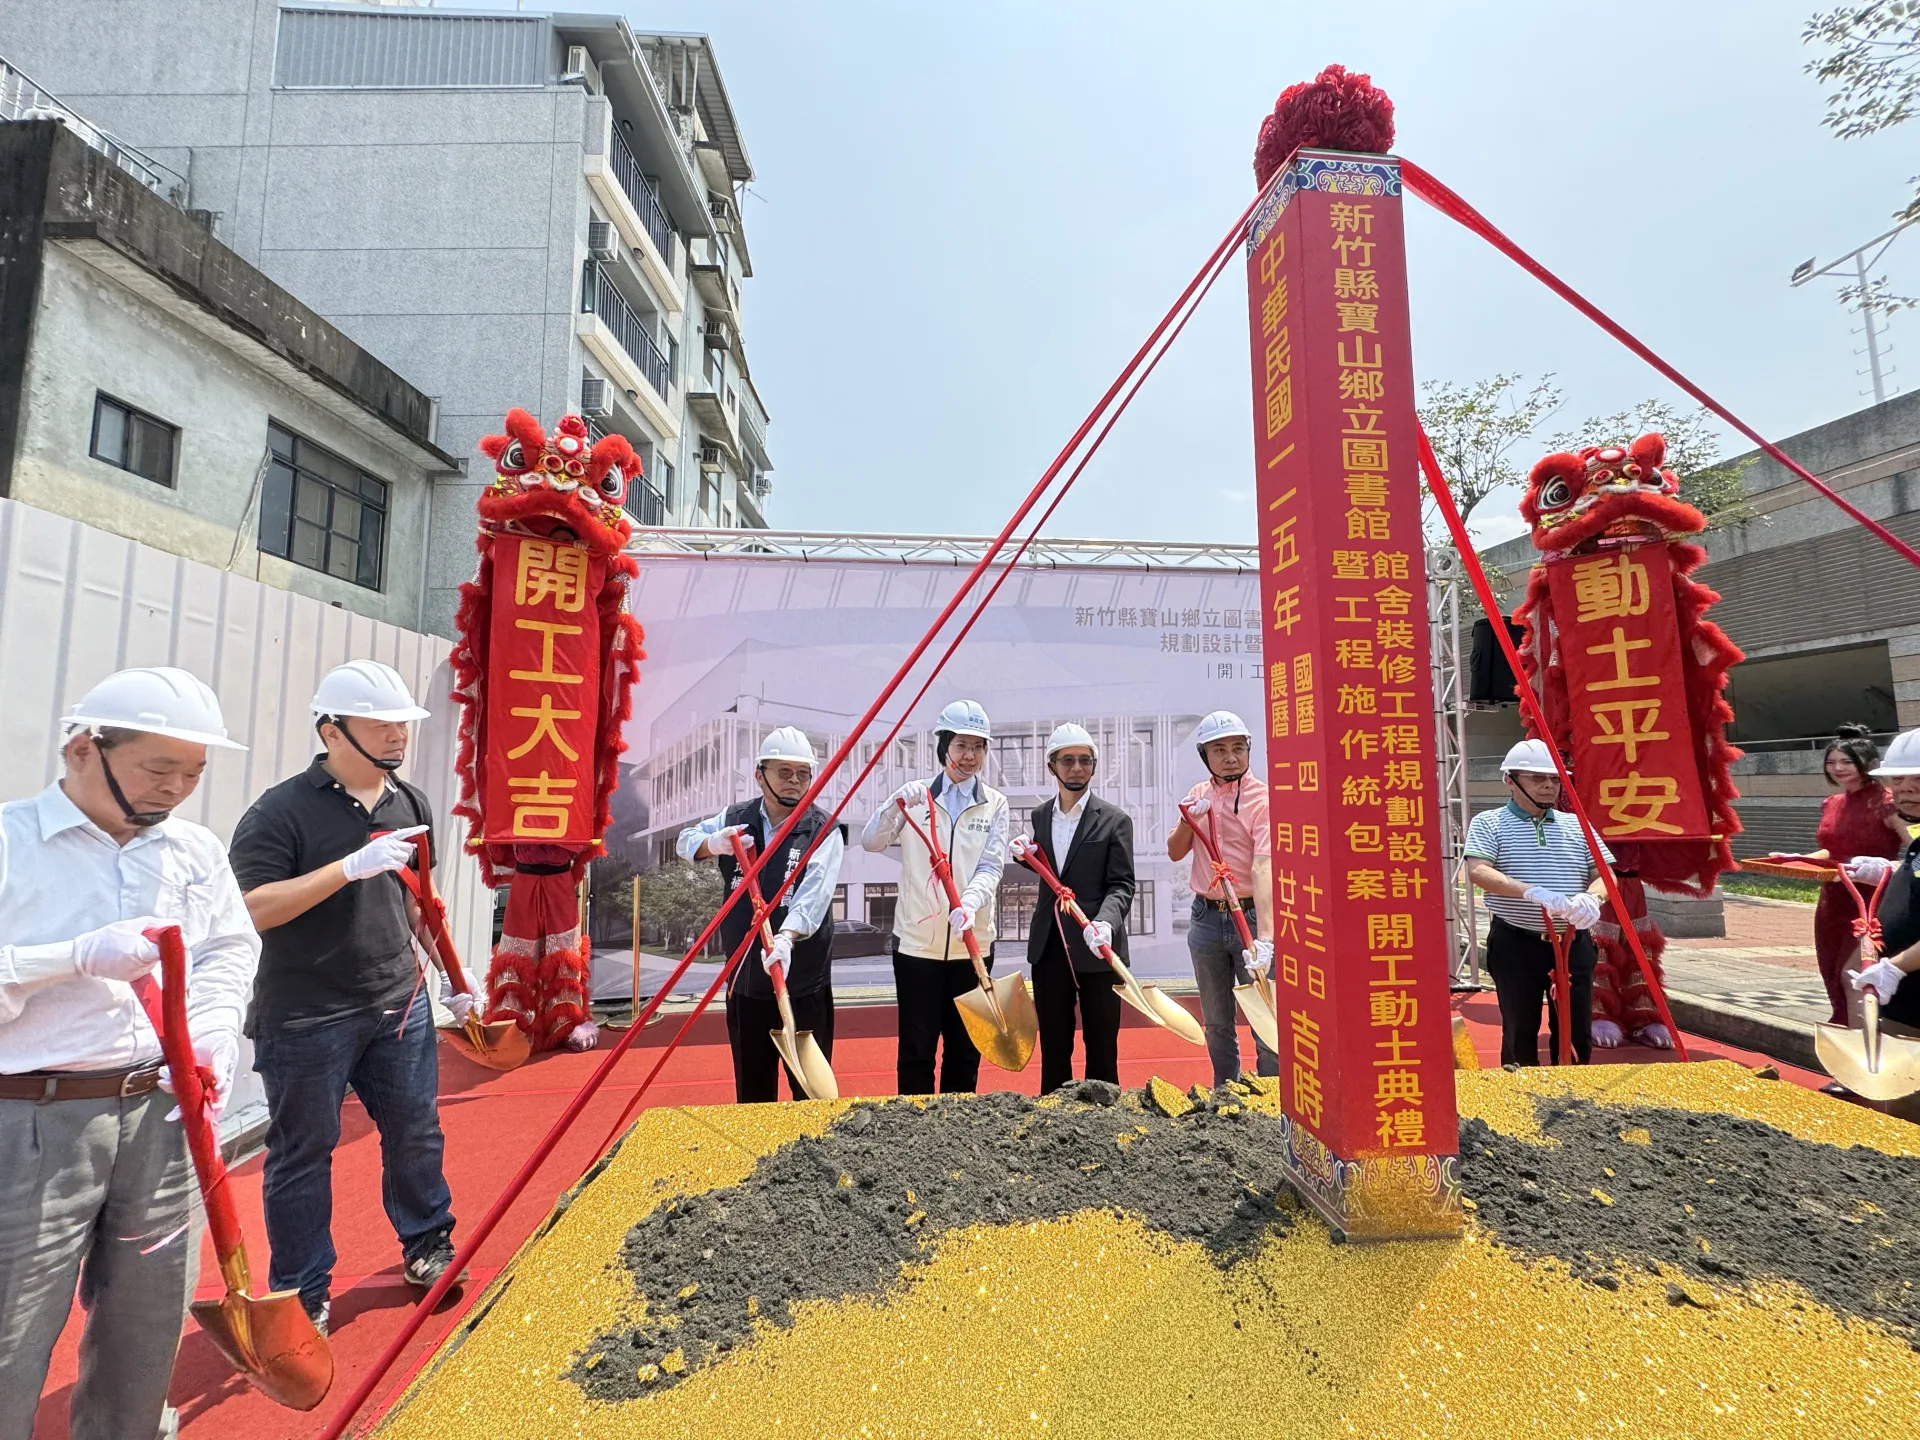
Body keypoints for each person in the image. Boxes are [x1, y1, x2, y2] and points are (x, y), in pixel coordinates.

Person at [0, 667, 257, 1440]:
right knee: (12, 1331)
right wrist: (69, 956)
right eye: (158, 768)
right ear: (84, 747)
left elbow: (227, 947)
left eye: (194, 772)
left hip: (163, 1114)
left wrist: (214, 1025)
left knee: (147, 1326)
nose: (176, 788)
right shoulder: (12, 844)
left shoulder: (192, 851)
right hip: (35, 1119)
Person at [228, 661, 464, 1337]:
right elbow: (253, 908)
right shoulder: (280, 812)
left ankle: (426, 1243)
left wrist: (450, 971)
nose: (397, 736)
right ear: (331, 730)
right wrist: (345, 869)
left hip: (398, 1001)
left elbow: (419, 897)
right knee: (303, 1151)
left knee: (416, 1129)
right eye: (380, 724)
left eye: (402, 725)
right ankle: (302, 1290)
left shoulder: (410, 804)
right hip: (307, 1013)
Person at [676, 726, 845, 1102]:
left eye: (803, 773)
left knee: (810, 1099)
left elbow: (813, 897)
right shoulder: (736, 818)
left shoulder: (823, 829)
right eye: (783, 772)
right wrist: (711, 843)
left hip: (802, 986)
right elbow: (684, 841)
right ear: (760, 775)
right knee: (753, 1097)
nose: (794, 782)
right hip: (747, 984)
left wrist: (787, 938)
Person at [862, 699, 1010, 1095]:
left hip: (972, 944)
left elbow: (991, 865)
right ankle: (913, 1133)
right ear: (943, 745)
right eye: (961, 745)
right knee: (916, 1047)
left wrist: (970, 904)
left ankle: (956, 1136)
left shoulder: (995, 803)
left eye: (978, 747)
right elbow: (871, 841)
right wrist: (894, 805)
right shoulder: (916, 799)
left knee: (965, 1050)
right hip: (917, 948)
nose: (970, 756)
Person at [1464, 739, 1612, 1067]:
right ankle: (1519, 1101)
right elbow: (1478, 871)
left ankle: (1575, 1099)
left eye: (1555, 779)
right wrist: (1530, 891)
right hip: (1517, 942)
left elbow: (1605, 874)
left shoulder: (1578, 825)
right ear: (1509, 780)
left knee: (1576, 1033)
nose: (1548, 785)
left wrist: (1593, 896)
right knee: (1519, 1030)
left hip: (1573, 942)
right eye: (1536, 778)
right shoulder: (1489, 823)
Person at [1012, 723, 1136, 1093]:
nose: (1077, 768)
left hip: (1098, 948)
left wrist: (1106, 923)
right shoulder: (1039, 817)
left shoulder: (1115, 820)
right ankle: (1054, 1122)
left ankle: (1104, 1127)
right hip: (1050, 948)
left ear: (1094, 766)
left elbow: (1122, 884)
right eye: (1068, 760)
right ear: (1052, 766)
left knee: (1100, 1048)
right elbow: (1051, 871)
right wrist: (1026, 856)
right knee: (1054, 1047)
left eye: (1085, 760)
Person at [1167, 710, 1276, 1089]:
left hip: (1249, 915)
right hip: (1207, 919)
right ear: (1205, 756)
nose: (1230, 757)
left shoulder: (1263, 800)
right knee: (1216, 1020)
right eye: (1220, 750)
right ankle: (1225, 1092)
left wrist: (1265, 937)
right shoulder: (1199, 795)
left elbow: (1264, 868)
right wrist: (1187, 819)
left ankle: (1270, 1098)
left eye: (1238, 748)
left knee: (1265, 1015)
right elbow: (1174, 851)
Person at [1771, 725, 1906, 1025]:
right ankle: (1850, 1037)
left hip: (1873, 900)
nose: (1837, 768)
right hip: (1833, 901)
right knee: (1833, 972)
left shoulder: (1887, 802)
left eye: (1846, 761)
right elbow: (1830, 851)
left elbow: (1913, 850)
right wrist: (1794, 859)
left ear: (1869, 764)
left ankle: (1863, 1050)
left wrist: (1884, 868)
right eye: (1831, 762)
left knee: (1855, 975)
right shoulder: (1832, 803)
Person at [1842, 727, 1920, 1028]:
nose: (1906, 789)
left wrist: (1894, 969)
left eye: (1918, 779)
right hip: (1904, 1009)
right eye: (1898, 779)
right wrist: (1890, 871)